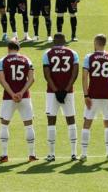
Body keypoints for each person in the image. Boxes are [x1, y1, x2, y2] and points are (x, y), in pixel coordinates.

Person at [80, 34, 108, 161]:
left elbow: (84, 77)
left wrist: (86, 95)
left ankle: (84, 154)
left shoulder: (89, 57)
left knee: (87, 123)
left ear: (95, 43)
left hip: (92, 96)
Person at [0, 41, 37, 162]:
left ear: (8, 48)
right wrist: (22, 92)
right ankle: (32, 155)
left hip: (8, 98)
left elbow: (2, 81)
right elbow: (31, 79)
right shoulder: (27, 60)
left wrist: (12, 93)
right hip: (24, 97)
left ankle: (4, 155)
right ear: (18, 49)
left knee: (4, 124)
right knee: (29, 125)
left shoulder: (2, 61)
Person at [42, 33, 79, 161]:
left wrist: (56, 90)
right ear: (64, 41)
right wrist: (66, 89)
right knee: (71, 120)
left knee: (51, 121)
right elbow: (75, 73)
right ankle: (74, 153)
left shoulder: (47, 53)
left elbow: (47, 75)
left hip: (52, 93)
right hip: (68, 93)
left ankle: (51, 154)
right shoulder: (73, 53)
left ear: (53, 41)